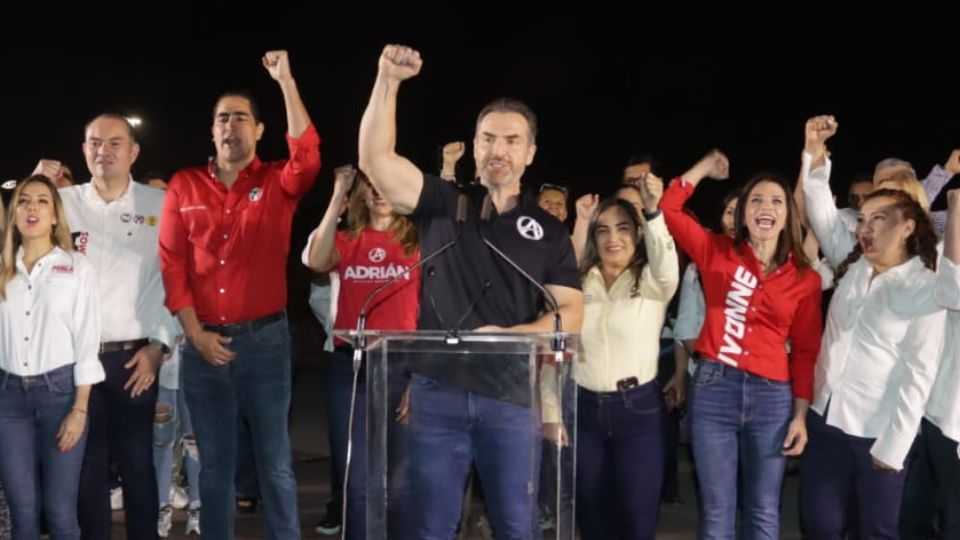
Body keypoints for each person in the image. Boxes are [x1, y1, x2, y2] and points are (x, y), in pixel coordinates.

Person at [358, 44, 583, 539]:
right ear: (474, 146)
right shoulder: (444, 203)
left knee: (515, 526)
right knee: (432, 527)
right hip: (437, 393)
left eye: (510, 140)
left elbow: (571, 312)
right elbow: (376, 160)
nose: (497, 149)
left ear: (529, 152)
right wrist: (388, 82)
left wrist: (510, 336)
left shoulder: (547, 230)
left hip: (509, 397)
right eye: (487, 139)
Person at [158, 50, 321, 539]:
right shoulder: (185, 185)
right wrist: (195, 334)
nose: (231, 125)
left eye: (241, 117)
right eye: (222, 117)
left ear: (259, 130)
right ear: (212, 131)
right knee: (214, 467)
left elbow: (308, 155)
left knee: (274, 464)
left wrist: (286, 80)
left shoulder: (277, 182)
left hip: (266, 344)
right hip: (202, 345)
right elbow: (173, 263)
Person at [659, 150, 823, 539]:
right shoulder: (716, 252)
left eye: (777, 201)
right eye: (757, 200)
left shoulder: (805, 279)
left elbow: (805, 352)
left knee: (764, 510)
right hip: (715, 390)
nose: (766, 207)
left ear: (788, 216)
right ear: (744, 212)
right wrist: (703, 168)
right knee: (717, 512)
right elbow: (669, 208)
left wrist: (800, 415)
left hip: (773, 399)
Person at [42, 112, 176, 540]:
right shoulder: (61, 203)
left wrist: (159, 346)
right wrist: (34, 180)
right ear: (83, 150)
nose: (104, 150)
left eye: (115, 142)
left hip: (132, 359)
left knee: (137, 465)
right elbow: (12, 233)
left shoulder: (160, 205)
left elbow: (177, 280)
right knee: (86, 468)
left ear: (134, 152)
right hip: (74, 359)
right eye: (95, 142)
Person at [303, 164, 420, 538]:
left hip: (403, 365)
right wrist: (338, 195)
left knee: (401, 483)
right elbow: (316, 262)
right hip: (350, 366)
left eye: (385, 184)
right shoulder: (346, 238)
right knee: (355, 479)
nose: (378, 192)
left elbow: (435, 311)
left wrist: (420, 377)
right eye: (370, 186)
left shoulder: (418, 241)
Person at [569, 176, 679, 539]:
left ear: (637, 233)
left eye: (622, 229)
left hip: (638, 412)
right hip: (583, 409)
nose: (612, 238)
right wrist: (582, 222)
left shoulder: (651, 282)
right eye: (603, 231)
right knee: (591, 516)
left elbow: (666, 266)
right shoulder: (581, 283)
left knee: (636, 518)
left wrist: (653, 211)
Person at [0, 174, 103, 539]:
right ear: (13, 214)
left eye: (43, 201)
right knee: (23, 511)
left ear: (56, 215)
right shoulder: (2, 270)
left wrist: (80, 409)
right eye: (24, 201)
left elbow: (88, 342)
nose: (32, 208)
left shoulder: (77, 268)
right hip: (9, 401)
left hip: (61, 396)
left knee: (60, 512)